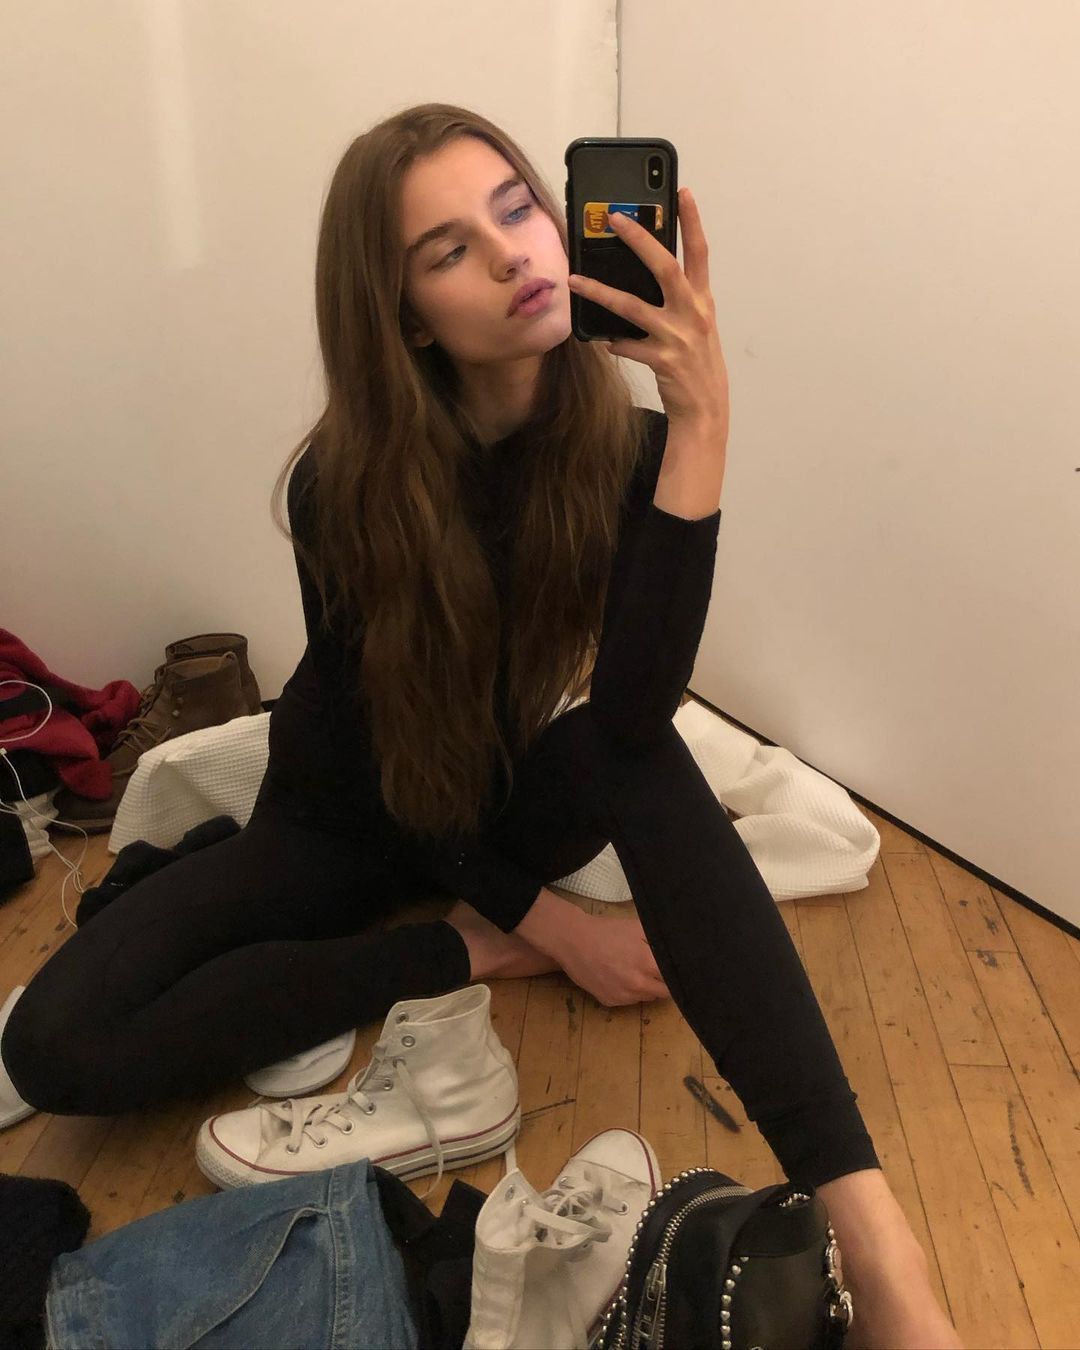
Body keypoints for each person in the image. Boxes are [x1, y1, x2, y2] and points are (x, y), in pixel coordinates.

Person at [2, 103, 960, 1348]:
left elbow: (632, 712)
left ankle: (877, 1244)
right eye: (450, 250)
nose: (514, 255)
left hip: (510, 794)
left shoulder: (626, 449)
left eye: (518, 209)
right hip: (343, 816)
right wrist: (536, 929)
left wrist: (704, 425)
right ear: (406, 314)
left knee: (634, 752)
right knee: (54, 1044)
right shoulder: (345, 484)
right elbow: (388, 763)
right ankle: (457, 949)